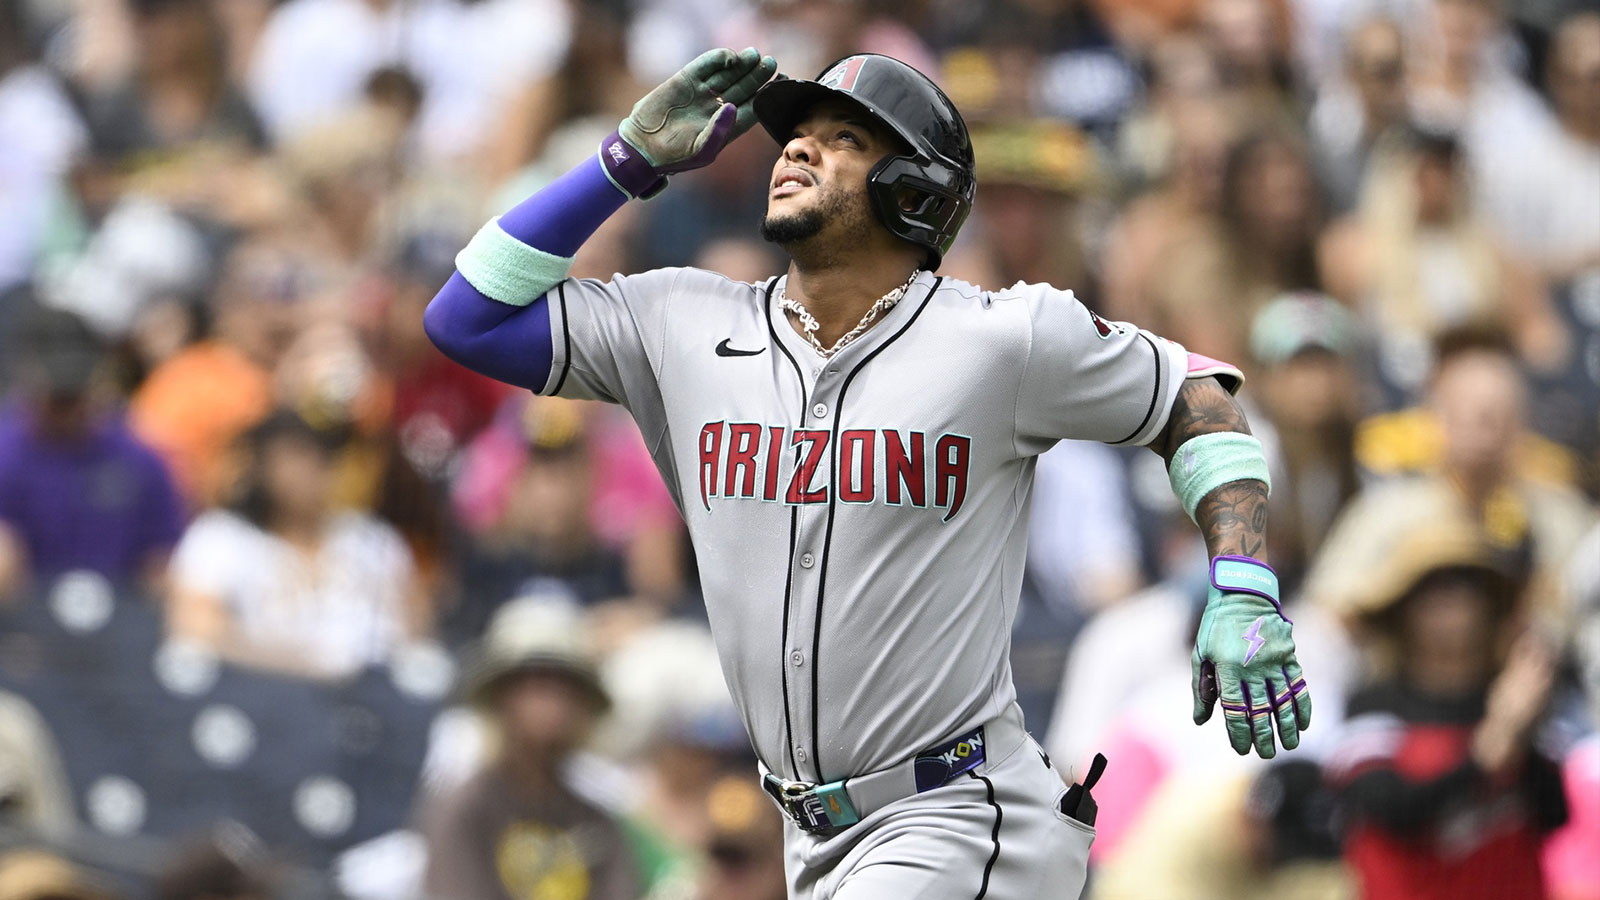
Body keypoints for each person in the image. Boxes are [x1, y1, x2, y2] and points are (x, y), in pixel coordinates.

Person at [425, 49, 1313, 898]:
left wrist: (1239, 582)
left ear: (916, 191)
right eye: (798, 133)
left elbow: (1196, 395)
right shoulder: (679, 323)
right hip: (807, 834)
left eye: (848, 138)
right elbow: (467, 318)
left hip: (956, 812)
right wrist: (626, 163)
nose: (801, 146)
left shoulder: (1004, 338)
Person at [1328, 525, 1567, 900]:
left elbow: (1555, 814)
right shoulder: (1373, 705)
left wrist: (1521, 732)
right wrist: (1490, 744)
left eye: (1465, 586)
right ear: (1402, 610)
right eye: (1432, 590)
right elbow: (1391, 811)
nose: (1451, 604)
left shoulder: (1515, 698)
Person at [417, 598, 638, 900]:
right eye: (536, 682)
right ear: (501, 695)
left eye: (565, 686)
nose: (552, 702)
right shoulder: (464, 811)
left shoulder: (595, 820)